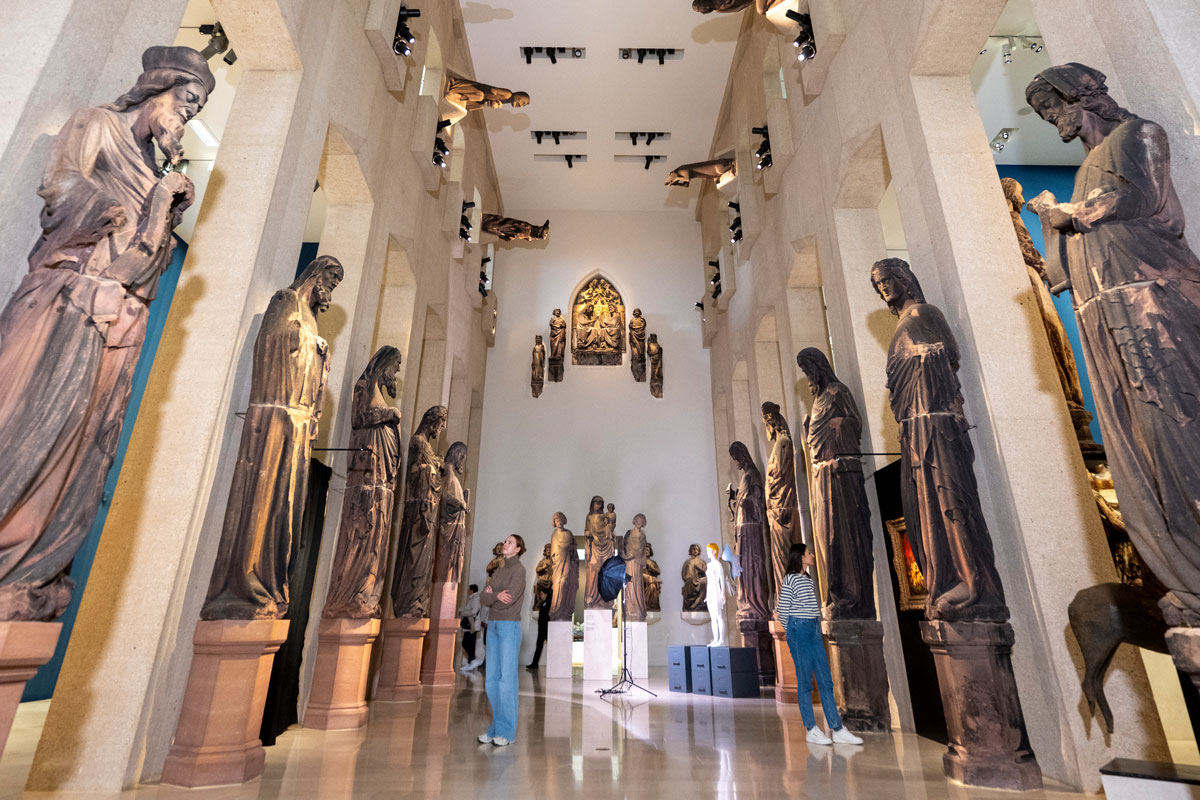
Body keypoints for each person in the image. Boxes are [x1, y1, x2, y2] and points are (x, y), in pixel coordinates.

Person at [777, 543, 863, 746]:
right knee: (805, 681)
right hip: (799, 630)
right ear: (800, 557)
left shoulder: (807, 579)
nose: (812, 555)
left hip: (814, 628)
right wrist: (792, 635)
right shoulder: (789, 579)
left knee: (825, 680)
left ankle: (837, 728)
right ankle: (811, 729)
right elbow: (783, 610)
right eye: (808, 553)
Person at [478, 534, 526, 747]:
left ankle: (507, 732)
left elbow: (509, 600)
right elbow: (483, 598)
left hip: (509, 626)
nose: (504, 544)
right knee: (491, 680)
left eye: (509, 542)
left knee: (507, 680)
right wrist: (495, 596)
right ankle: (496, 728)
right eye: (505, 541)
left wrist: (493, 595)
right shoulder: (497, 571)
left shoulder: (519, 570)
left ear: (517, 549)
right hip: (493, 625)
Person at [458, 584, 482, 671]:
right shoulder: (472, 598)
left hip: (473, 625)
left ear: (472, 590)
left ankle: (473, 659)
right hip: (470, 625)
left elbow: (473, 611)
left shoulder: (475, 599)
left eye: (469, 589)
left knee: (466, 643)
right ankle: (470, 662)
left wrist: (462, 613)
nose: (468, 591)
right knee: (469, 644)